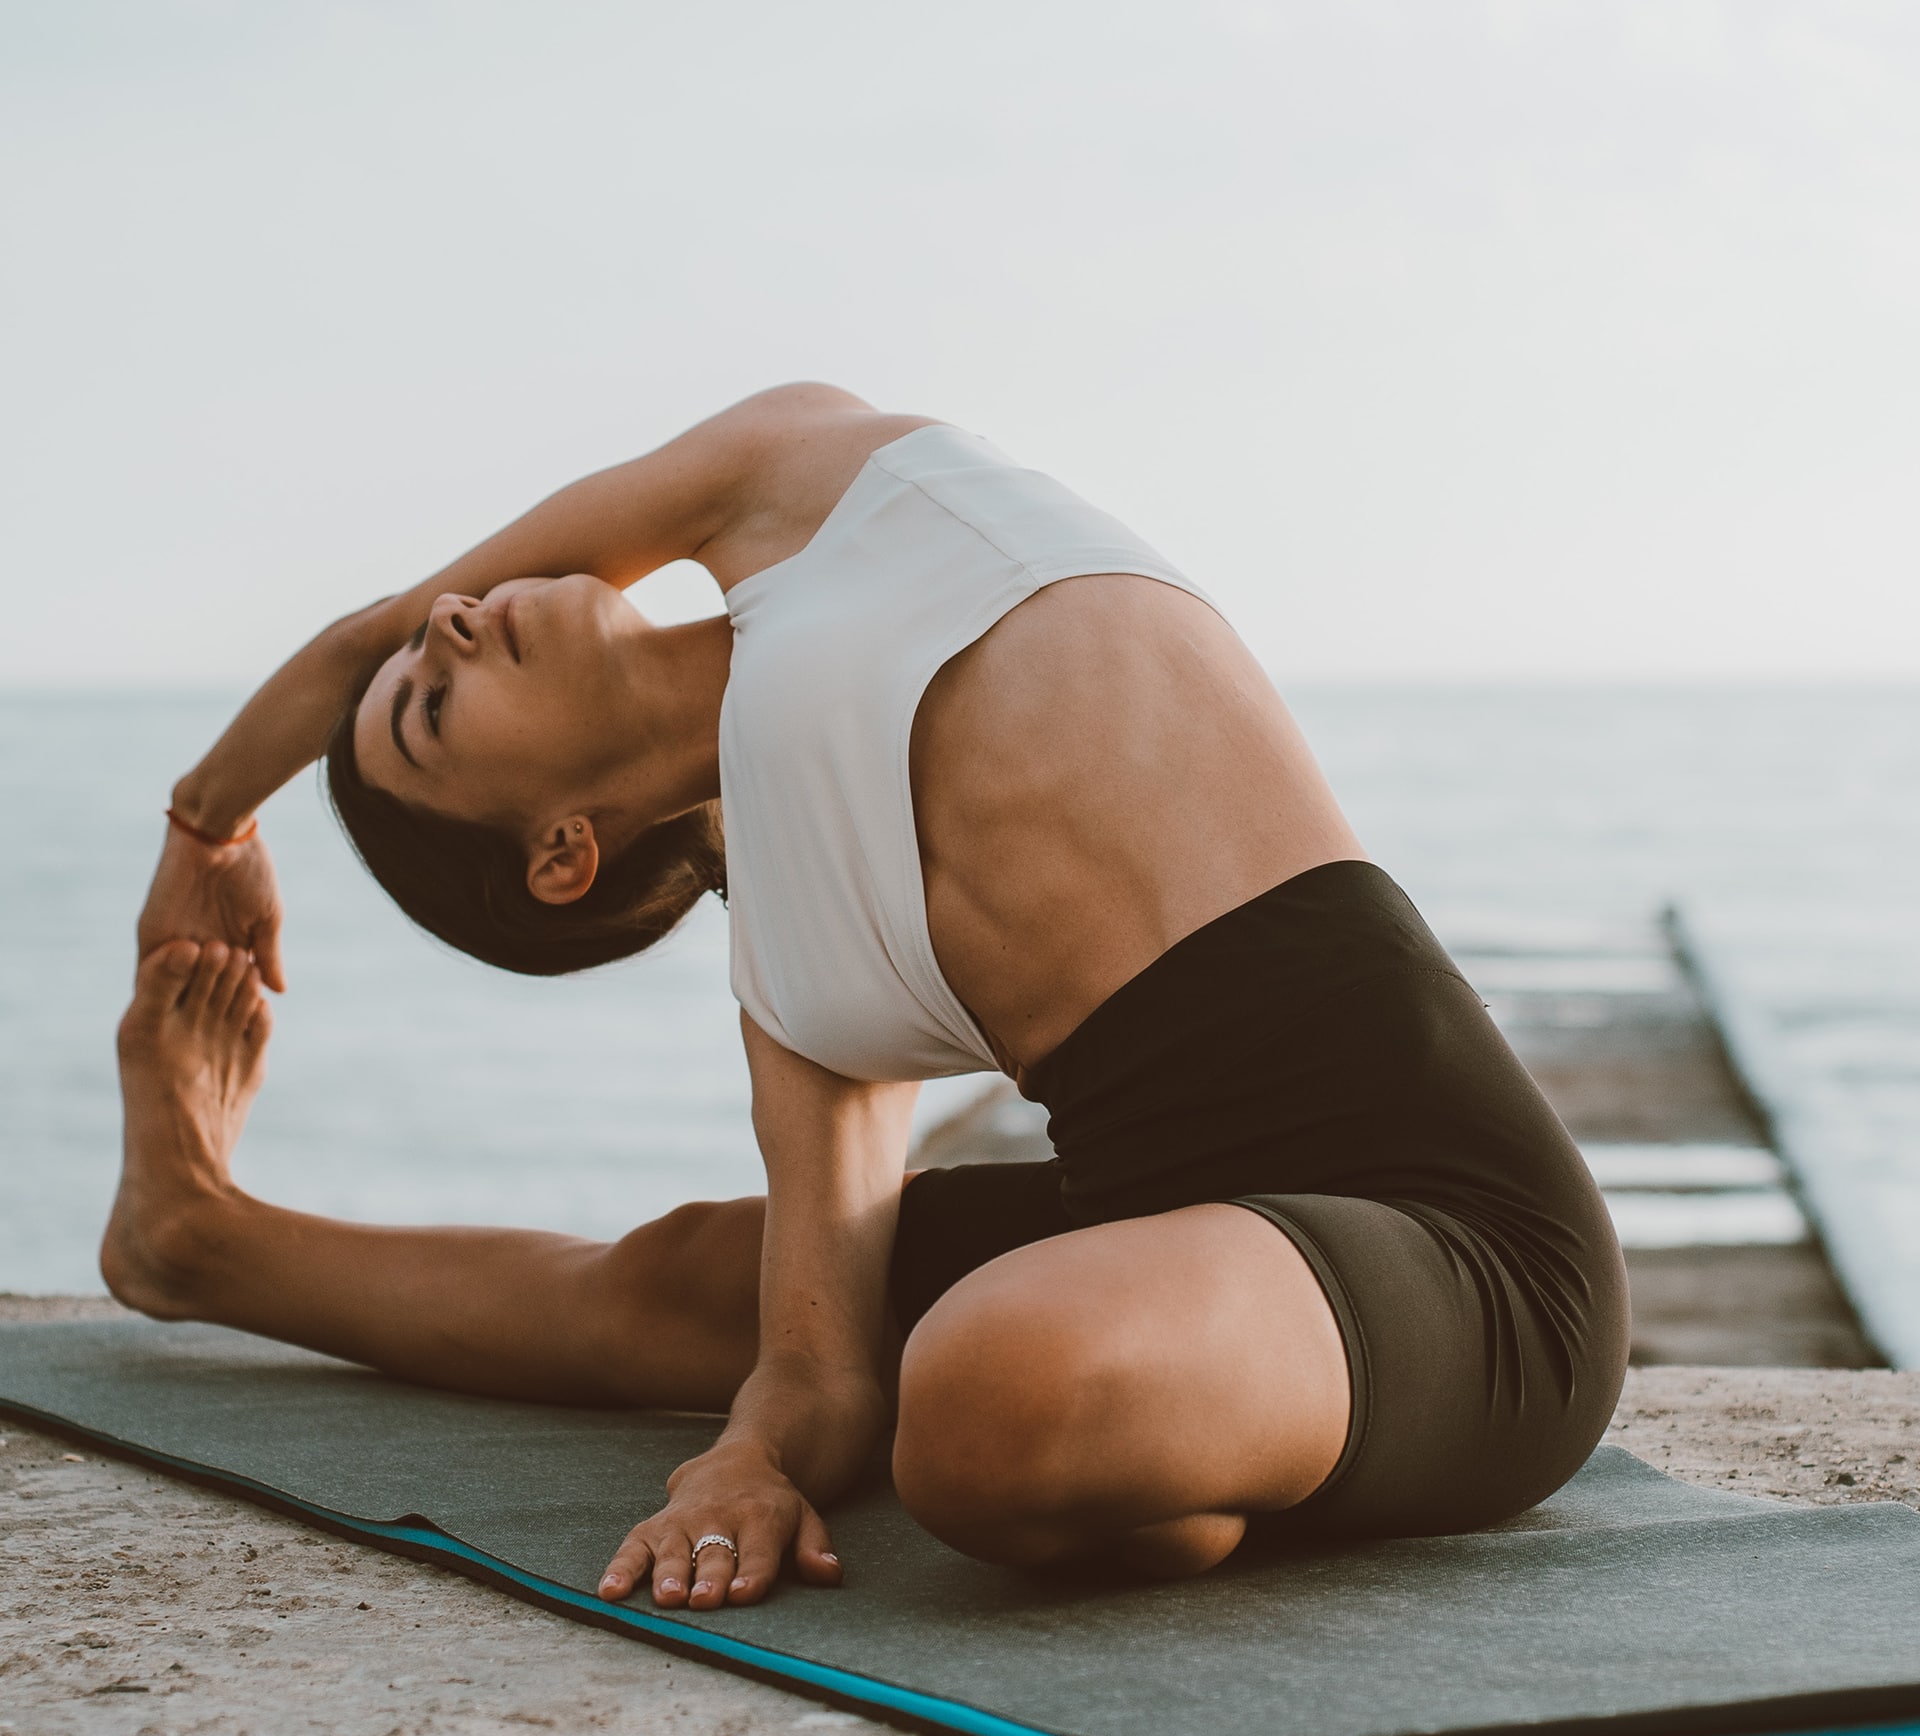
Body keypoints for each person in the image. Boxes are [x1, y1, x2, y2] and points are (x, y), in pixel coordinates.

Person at [107, 382, 1629, 1614]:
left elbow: (372, 630)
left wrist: (206, 824)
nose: (446, 629)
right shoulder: (800, 955)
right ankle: (200, 1238)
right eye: (435, 713)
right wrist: (748, 1464)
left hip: (1462, 1260)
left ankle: (1148, 1449)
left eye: (432, 650)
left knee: (979, 1398)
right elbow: (814, 1368)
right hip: (1167, 1249)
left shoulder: (801, 478)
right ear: (562, 851)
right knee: (697, 1278)